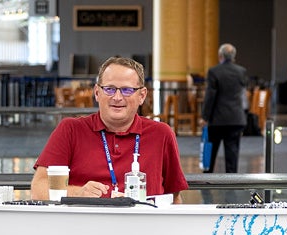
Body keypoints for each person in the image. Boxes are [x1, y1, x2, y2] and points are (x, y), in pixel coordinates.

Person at [31, 56, 189, 203]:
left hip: (143, 228)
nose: (118, 97)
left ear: (142, 95)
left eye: (127, 90)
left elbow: (174, 198)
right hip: (85, 228)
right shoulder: (70, 130)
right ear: (97, 92)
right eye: (110, 89)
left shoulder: (161, 134)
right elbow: (38, 190)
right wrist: (78, 193)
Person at [201, 43, 248, 174]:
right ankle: (232, 180)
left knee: (211, 151)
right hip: (236, 118)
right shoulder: (241, 71)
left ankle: (207, 179)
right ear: (234, 57)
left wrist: (205, 117)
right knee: (232, 153)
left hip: (217, 119)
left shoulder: (214, 71)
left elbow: (210, 96)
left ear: (220, 56)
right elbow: (243, 94)